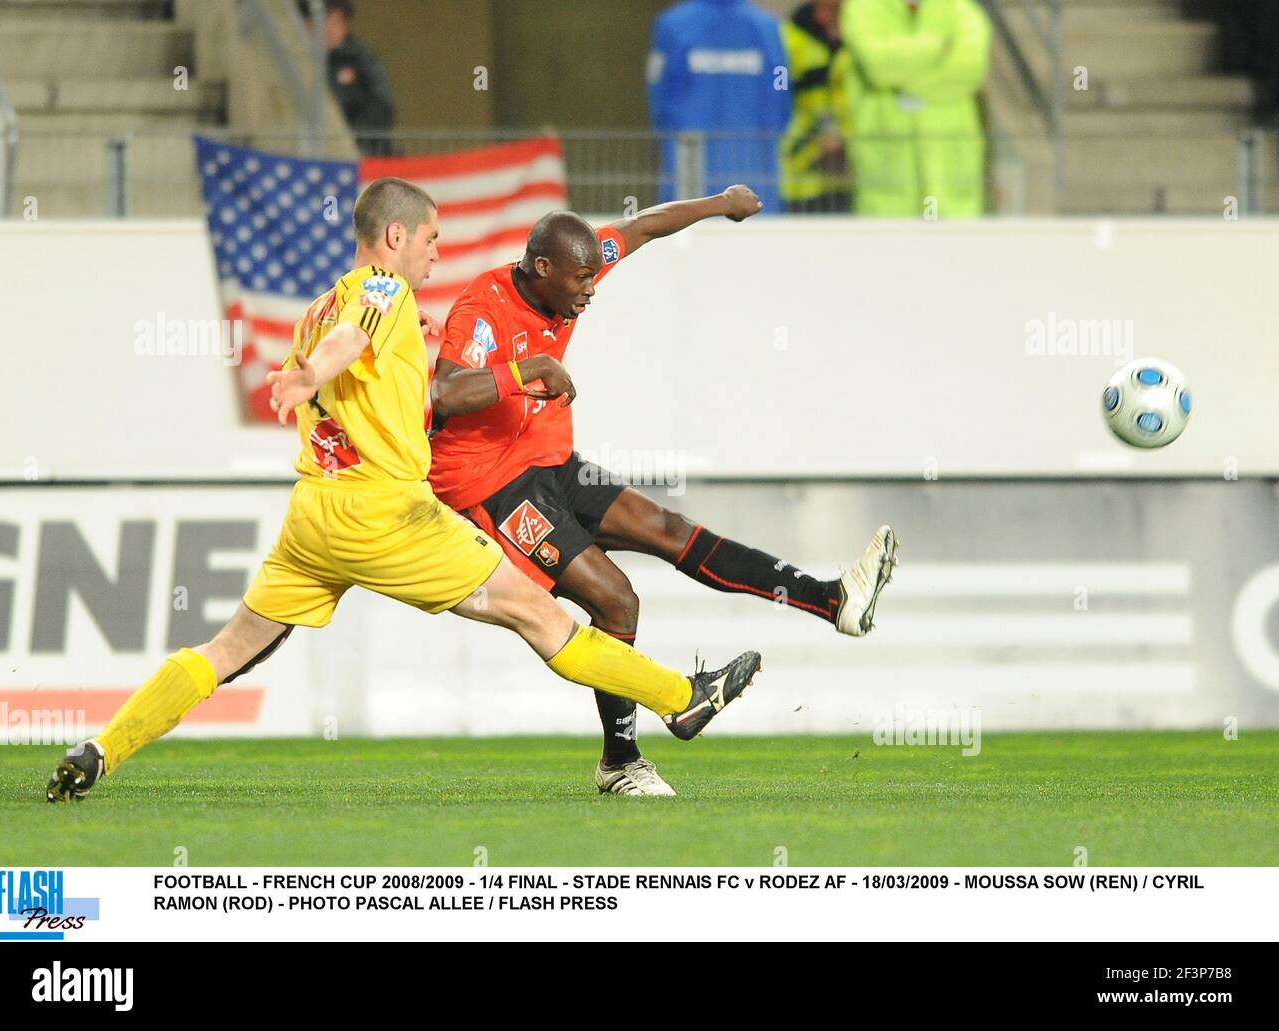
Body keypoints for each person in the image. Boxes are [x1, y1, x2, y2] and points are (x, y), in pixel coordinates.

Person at [46, 179, 762, 803]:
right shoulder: (381, 291)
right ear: (394, 236)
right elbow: (349, 348)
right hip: (388, 511)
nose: (437, 253)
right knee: (540, 614)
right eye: (430, 239)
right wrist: (309, 376)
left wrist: (370, 360)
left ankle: (101, 749)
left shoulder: (320, 308)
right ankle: (681, 697)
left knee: (226, 648)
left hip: (314, 517)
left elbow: (366, 369)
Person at [427, 186, 897, 797]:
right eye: (580, 279)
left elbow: (644, 227)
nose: (591, 289)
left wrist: (720, 203)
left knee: (671, 532)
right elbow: (445, 392)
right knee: (618, 602)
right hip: (488, 485)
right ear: (542, 268)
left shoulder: (576, 266)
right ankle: (621, 761)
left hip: (551, 462)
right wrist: (527, 373)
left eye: (595, 274)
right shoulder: (482, 308)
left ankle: (832, 601)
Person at [841, 0, 990, 217]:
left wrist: (901, 79)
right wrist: (938, 46)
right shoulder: (862, 7)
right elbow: (878, 65)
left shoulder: (961, 7)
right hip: (887, 189)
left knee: (954, 250)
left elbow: (970, 67)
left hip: (949, 181)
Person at [647, 0, 791, 211]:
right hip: (755, 167)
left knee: (688, 226)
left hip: (691, 166)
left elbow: (660, 92)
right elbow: (781, 91)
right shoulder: (766, 26)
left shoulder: (673, 24)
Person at [780, 0, 854, 213]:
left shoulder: (863, 38)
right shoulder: (789, 39)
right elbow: (776, 97)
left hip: (852, 175)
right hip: (801, 177)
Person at [299, 0, 395, 156]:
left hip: (358, 153)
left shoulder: (362, 60)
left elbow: (381, 106)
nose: (328, 28)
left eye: (337, 21)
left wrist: (355, 143)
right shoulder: (298, 61)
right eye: (322, 20)